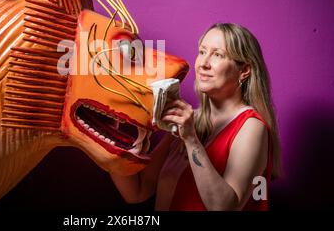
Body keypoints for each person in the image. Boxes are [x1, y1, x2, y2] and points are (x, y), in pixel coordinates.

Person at [110, 23, 281, 211]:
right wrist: (109, 135)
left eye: (218, 55)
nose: (203, 63)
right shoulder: (188, 121)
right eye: (202, 52)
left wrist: (191, 140)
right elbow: (137, 191)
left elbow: (223, 207)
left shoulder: (251, 127)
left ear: (244, 70)